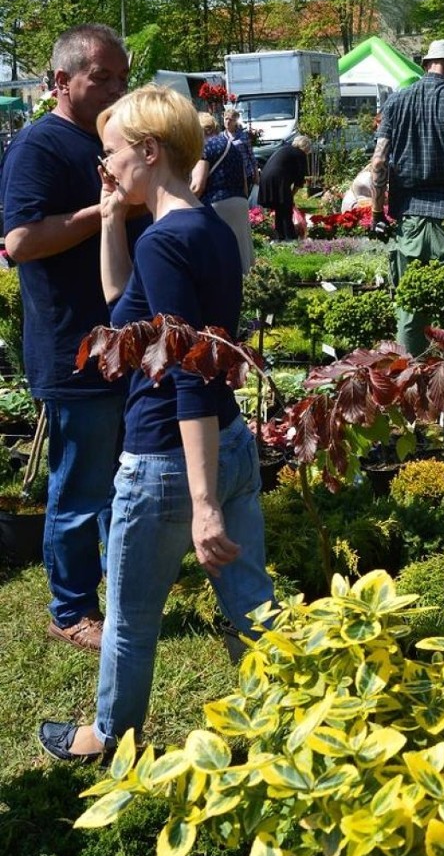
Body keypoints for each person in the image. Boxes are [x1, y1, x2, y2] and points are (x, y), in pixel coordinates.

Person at [38, 86, 276, 762]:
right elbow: (123, 308)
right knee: (253, 604)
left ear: (149, 151)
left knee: (130, 619)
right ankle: (297, 717)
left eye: (111, 154)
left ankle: (109, 740)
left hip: (170, 459)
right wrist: (112, 220)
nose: (104, 167)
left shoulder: (167, 244)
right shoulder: (201, 228)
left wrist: (202, 505)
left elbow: (188, 373)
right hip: (228, 444)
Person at [0, 24, 133, 651]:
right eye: (101, 77)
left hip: (121, 339)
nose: (116, 87)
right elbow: (20, 242)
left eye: (122, 76)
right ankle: (71, 609)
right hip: (70, 343)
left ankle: (117, 579)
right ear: (61, 81)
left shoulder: (107, 142)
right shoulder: (39, 146)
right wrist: (106, 213)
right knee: (79, 483)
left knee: (115, 475)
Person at [369, 40, 444, 355]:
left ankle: (409, 386)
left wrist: (377, 215)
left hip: (408, 222)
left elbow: (378, 162)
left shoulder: (395, 102)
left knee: (409, 307)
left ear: (426, 63)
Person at [191, 113, 254, 273]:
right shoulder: (231, 146)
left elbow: (197, 186)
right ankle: (247, 290)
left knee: (222, 254)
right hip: (239, 202)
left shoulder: (206, 147)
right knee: (241, 254)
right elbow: (245, 182)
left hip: (218, 205)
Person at [257, 134, 312, 240]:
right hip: (278, 179)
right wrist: (291, 195)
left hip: (266, 178)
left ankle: (280, 236)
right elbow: (299, 181)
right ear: (305, 147)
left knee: (280, 208)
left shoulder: (285, 149)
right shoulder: (300, 154)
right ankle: (290, 238)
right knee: (286, 209)